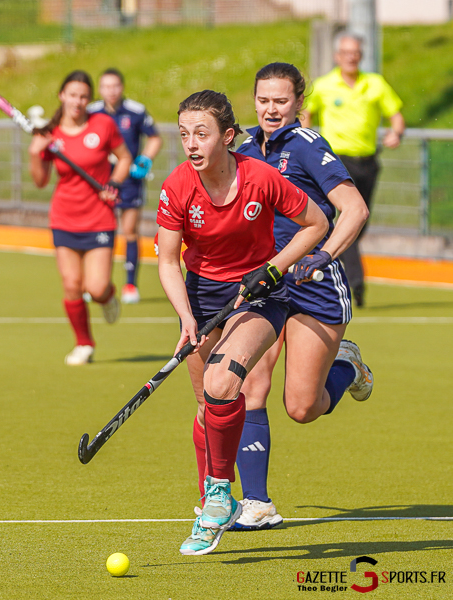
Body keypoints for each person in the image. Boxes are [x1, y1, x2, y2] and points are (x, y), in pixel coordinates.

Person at [156, 90, 329, 555]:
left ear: (228, 136)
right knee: (205, 406)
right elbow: (168, 261)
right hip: (201, 296)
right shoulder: (177, 186)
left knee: (222, 384)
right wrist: (185, 318)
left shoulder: (261, 177)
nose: (192, 144)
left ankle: (219, 497)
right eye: (184, 134)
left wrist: (274, 268)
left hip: (259, 295)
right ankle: (211, 504)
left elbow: (316, 223)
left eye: (202, 134)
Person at [231, 62, 375, 531]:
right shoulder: (243, 149)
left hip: (314, 288)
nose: (271, 109)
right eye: (263, 100)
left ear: (298, 104)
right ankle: (257, 503)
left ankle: (348, 366)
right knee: (249, 385)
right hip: (266, 286)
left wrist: (325, 255)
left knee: (301, 408)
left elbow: (354, 209)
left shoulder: (309, 146)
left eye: (281, 101)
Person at [29, 70, 133, 365]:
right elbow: (40, 181)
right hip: (64, 218)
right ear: (62, 95)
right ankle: (84, 344)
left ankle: (108, 296)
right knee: (72, 284)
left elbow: (124, 157)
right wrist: (35, 153)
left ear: (90, 99)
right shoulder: (49, 133)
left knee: (96, 288)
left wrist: (114, 183)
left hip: (99, 218)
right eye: (73, 95)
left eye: (84, 96)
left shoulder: (103, 124)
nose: (78, 101)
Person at [302, 31, 405, 308]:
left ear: (361, 55)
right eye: (346, 52)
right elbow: (306, 113)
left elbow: (396, 116)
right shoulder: (324, 85)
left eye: (356, 52)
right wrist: (306, 139)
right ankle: (356, 281)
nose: (351, 57)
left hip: (368, 161)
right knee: (349, 216)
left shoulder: (375, 83)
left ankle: (347, 273)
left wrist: (396, 133)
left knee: (360, 221)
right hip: (336, 161)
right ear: (337, 56)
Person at [88, 68, 163, 305]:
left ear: (122, 87)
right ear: (100, 89)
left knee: (129, 230)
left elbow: (154, 137)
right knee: (100, 231)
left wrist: (145, 160)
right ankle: (98, 283)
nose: (111, 91)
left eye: (115, 86)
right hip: (100, 180)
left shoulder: (136, 111)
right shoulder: (92, 112)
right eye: (106, 86)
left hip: (130, 180)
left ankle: (131, 284)